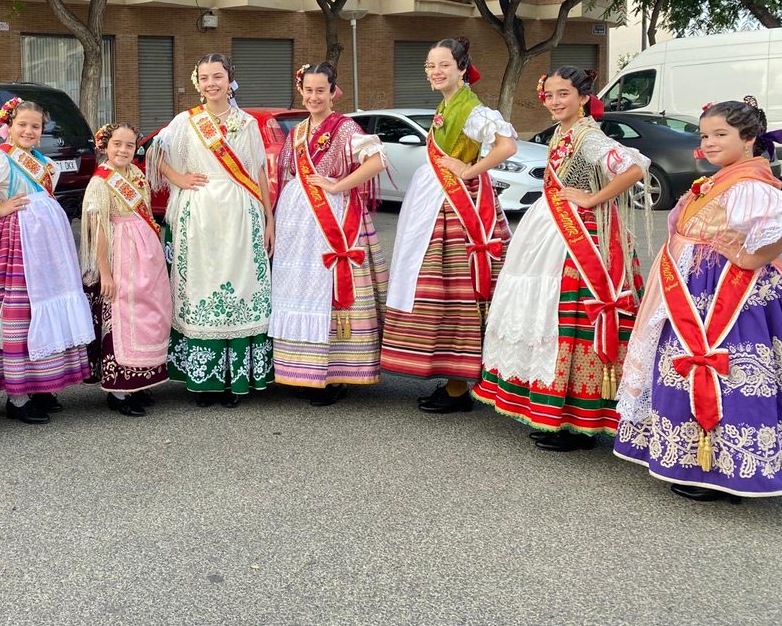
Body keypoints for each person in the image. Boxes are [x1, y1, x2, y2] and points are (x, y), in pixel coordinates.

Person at [616, 97, 782, 501]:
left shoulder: (749, 182)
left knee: (726, 372)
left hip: (726, 293)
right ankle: (699, 461)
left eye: (720, 135)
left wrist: (751, 257)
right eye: (704, 135)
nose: (709, 143)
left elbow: (781, 227)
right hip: (694, 285)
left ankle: (727, 467)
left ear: (748, 139)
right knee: (690, 368)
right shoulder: (722, 178)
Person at [475, 67, 648, 450]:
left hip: (580, 236)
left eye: (564, 94)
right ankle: (554, 409)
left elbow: (635, 168)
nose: (554, 101)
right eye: (550, 94)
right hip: (552, 226)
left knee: (567, 318)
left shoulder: (589, 137)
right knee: (544, 313)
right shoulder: (563, 132)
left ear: (584, 97)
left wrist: (590, 198)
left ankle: (576, 418)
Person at [381, 37, 517, 413]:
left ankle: (459, 383)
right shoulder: (447, 105)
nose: (436, 71)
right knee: (437, 289)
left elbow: (507, 146)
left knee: (457, 290)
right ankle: (452, 376)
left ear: (462, 68)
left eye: (443, 65)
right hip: (436, 202)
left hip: (458, 211)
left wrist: (470, 170)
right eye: (430, 65)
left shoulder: (473, 109)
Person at [0, 97, 93, 424]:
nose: (28, 130)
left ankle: (41, 384)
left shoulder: (42, 161)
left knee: (45, 303)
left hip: (47, 247)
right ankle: (18, 396)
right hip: (15, 244)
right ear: (8, 127)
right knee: (18, 311)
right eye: (22, 124)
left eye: (35, 126)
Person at [146, 53, 275, 406]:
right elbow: (154, 154)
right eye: (204, 78)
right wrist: (178, 178)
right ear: (197, 82)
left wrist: (269, 217)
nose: (211, 83)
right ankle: (204, 380)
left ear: (229, 78)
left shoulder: (246, 123)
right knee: (201, 288)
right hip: (200, 213)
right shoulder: (185, 122)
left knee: (240, 288)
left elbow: (259, 171)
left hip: (239, 212)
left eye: (217, 76)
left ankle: (236, 378)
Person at [269, 63, 389, 405]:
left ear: (333, 91)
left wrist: (338, 185)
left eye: (320, 90)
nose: (313, 96)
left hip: (332, 220)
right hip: (296, 221)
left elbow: (377, 160)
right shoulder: (297, 131)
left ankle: (334, 374)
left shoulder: (346, 128)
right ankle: (298, 370)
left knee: (327, 290)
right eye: (308, 90)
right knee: (299, 290)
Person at [80, 122, 171, 416]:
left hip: (145, 251)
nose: (123, 150)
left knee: (148, 313)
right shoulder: (101, 182)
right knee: (124, 317)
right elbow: (99, 230)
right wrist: (104, 272)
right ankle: (119, 391)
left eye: (129, 145)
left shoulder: (136, 175)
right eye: (117, 144)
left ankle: (141, 381)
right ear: (105, 146)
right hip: (120, 252)